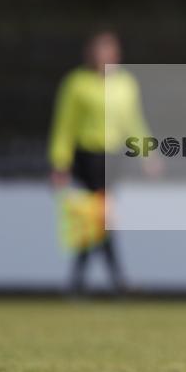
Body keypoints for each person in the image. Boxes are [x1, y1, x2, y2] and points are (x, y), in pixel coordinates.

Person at [49, 30, 155, 295]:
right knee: (100, 218)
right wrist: (59, 162)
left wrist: (147, 153)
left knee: (95, 220)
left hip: (114, 157)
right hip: (87, 157)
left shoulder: (125, 84)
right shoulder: (76, 84)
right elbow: (65, 125)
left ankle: (79, 282)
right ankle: (117, 280)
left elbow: (133, 121)